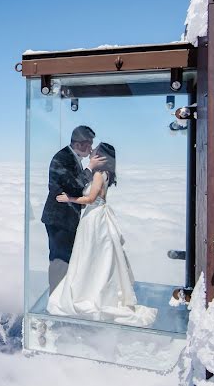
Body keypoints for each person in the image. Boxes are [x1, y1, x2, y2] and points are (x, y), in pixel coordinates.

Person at [46, 143, 157, 327]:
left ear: (102, 157)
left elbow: (90, 199)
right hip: (96, 216)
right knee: (97, 257)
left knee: (91, 255)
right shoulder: (106, 174)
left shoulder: (98, 174)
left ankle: (89, 292)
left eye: (96, 153)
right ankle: (97, 289)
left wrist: (69, 199)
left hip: (94, 218)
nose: (92, 154)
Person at [41, 125, 104, 291]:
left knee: (66, 258)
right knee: (59, 261)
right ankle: (55, 298)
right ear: (80, 144)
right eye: (89, 144)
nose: (91, 148)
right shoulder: (63, 157)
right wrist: (90, 168)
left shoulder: (70, 157)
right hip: (59, 218)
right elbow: (74, 183)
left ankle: (62, 295)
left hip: (66, 218)